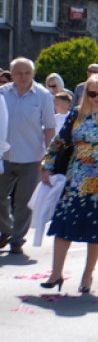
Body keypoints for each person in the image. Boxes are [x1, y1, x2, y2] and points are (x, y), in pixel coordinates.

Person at [39, 73, 98, 293]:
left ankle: (87, 276)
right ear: (85, 93)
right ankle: (55, 274)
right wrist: (47, 164)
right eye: (92, 93)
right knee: (63, 228)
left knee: (95, 230)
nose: (96, 98)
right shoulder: (76, 115)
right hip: (75, 179)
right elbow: (59, 140)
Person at [0, 57, 51, 255]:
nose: (23, 77)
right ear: (11, 75)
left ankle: (17, 240)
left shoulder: (43, 95)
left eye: (27, 73)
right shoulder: (2, 93)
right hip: (4, 156)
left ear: (33, 74)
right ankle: (7, 228)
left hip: (31, 157)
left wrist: (49, 156)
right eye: (19, 73)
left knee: (24, 202)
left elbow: (49, 127)